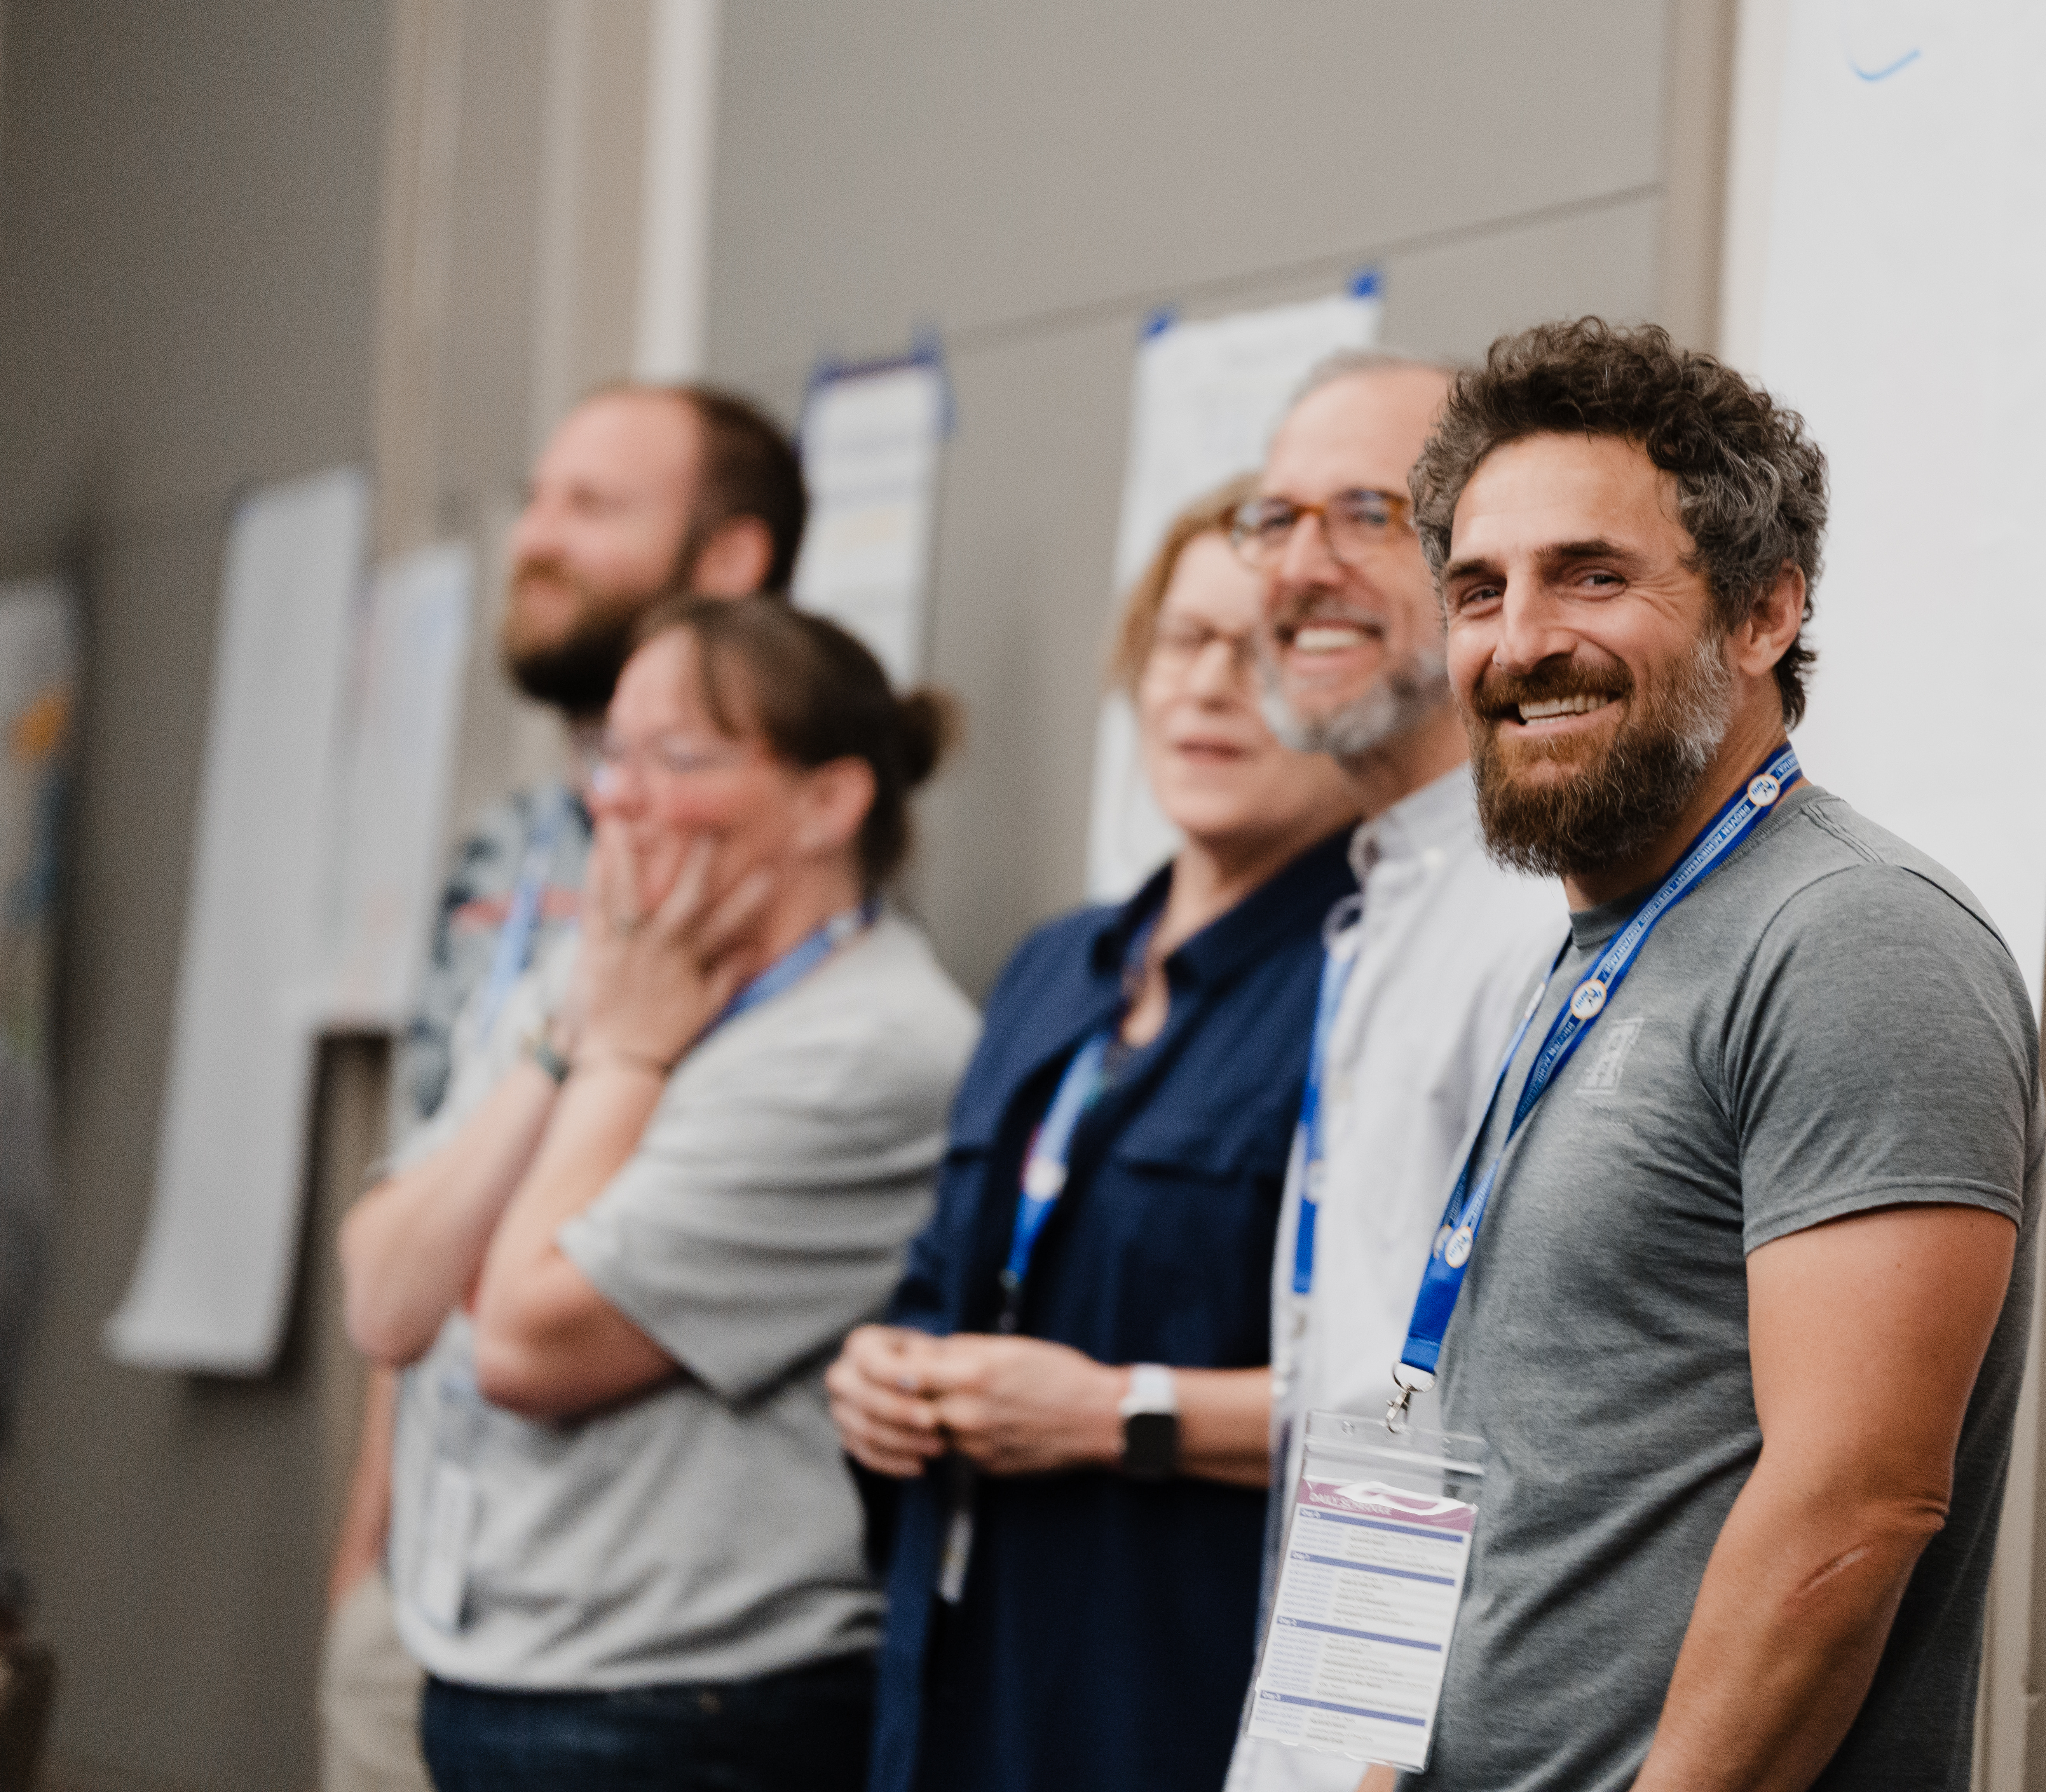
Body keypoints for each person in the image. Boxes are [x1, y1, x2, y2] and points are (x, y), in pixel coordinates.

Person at [1371, 320, 2042, 1792]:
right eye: (1479, 590)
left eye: (1591, 576)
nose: (1520, 639)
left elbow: (1854, 1510)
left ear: (1762, 616)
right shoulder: (1601, 946)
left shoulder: (1856, 940)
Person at [338, 596, 977, 1789]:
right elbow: (383, 1297)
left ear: (829, 802)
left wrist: (621, 1060)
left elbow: (525, 1344)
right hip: (488, 1659)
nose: (615, 799)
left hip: (684, 1708)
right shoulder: (598, 974)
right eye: (610, 754)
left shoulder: (874, 1043)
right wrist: (570, 1050)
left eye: (674, 760)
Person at [826, 477, 1363, 1792]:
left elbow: (1423, 1407)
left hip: (1173, 1694)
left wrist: (1118, 1414)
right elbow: (946, 1275)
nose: (1209, 688)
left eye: (1269, 647)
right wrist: (878, 1372)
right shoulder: (1056, 970)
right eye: (1182, 642)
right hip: (958, 1680)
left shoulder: (1369, 990)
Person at [320, 382, 811, 1792]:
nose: (534, 539)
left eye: (590, 507)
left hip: (616, 1622)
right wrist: (372, 1542)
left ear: (730, 561)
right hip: (427, 1571)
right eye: (537, 500)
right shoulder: (512, 851)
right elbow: (418, 1210)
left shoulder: (771, 859)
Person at [1223, 352, 1569, 1792]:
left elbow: (1539, 1402)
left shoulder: (1536, 911)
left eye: (1369, 514)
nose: (1306, 567)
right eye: (1274, 519)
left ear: (1477, 573)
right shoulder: (1378, 900)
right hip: (1329, 1703)